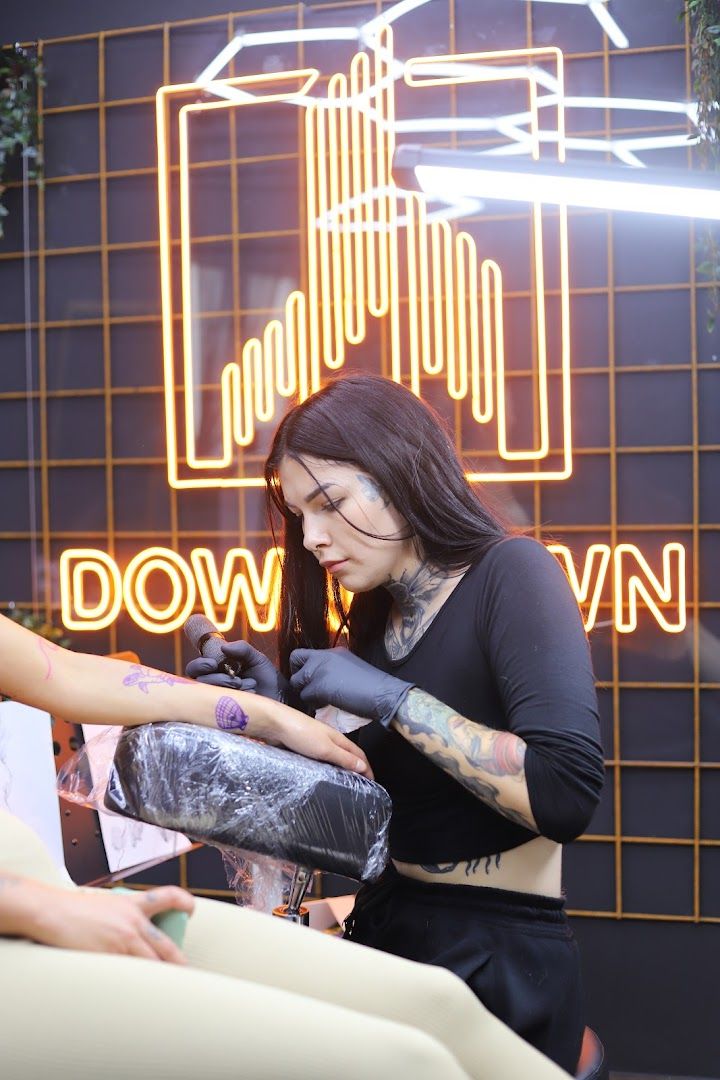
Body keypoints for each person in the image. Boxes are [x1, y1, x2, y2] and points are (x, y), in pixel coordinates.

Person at [188, 373, 605, 1075]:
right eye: (299, 517)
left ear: (399, 469)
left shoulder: (512, 574)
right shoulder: (376, 619)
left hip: (498, 958)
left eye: (331, 503)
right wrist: (275, 717)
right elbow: (360, 815)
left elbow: (564, 792)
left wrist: (392, 698)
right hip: (388, 924)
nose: (314, 537)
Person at [0, 614, 568, 1080]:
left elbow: (65, 675)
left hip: (40, 894)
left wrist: (272, 717)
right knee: (406, 1064)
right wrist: (42, 907)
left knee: (440, 1007)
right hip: (27, 918)